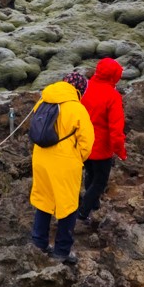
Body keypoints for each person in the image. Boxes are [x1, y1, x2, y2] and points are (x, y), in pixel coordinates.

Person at [29, 71, 94, 264]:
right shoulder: (77, 109)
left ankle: (38, 242)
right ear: (80, 89)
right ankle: (61, 251)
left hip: (40, 158)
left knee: (43, 200)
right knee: (68, 206)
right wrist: (76, 158)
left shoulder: (43, 100)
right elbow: (87, 143)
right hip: (65, 162)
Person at [77, 58, 128, 225]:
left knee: (90, 173)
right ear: (114, 76)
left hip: (83, 143)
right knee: (99, 181)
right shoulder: (112, 95)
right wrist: (120, 151)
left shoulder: (85, 88)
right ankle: (83, 212)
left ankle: (94, 206)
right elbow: (116, 127)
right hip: (101, 147)